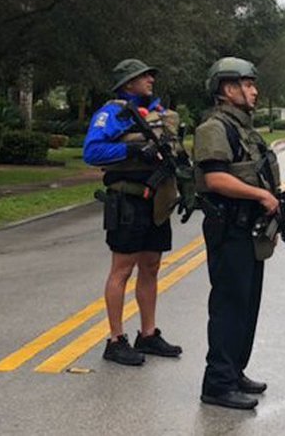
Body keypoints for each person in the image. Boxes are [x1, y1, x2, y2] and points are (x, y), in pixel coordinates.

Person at [193, 56, 281, 410]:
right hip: (229, 229)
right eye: (247, 84)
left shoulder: (244, 128)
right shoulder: (215, 128)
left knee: (247, 305)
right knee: (229, 306)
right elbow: (215, 178)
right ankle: (217, 383)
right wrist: (260, 194)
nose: (254, 91)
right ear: (228, 89)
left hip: (250, 231)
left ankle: (234, 371)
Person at [83, 58, 184, 366]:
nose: (151, 79)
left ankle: (148, 333)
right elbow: (92, 151)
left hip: (156, 200)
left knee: (151, 266)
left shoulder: (159, 114)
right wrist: (130, 150)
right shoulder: (112, 113)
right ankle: (115, 340)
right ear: (128, 83)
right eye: (144, 76)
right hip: (127, 201)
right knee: (122, 269)